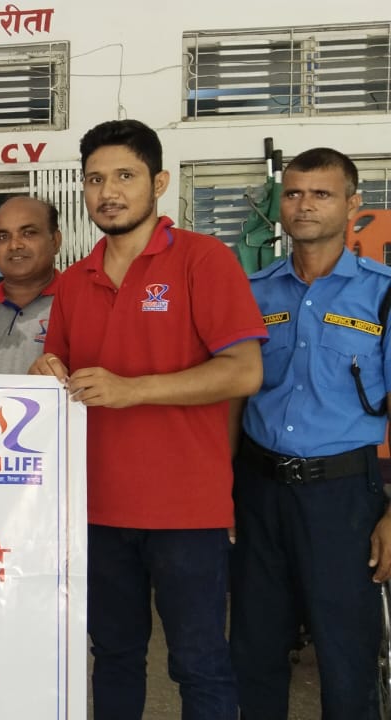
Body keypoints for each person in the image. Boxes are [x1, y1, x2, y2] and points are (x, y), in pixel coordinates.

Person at [30, 119, 266, 719]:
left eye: (125, 176)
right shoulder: (74, 282)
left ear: (158, 183)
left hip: (185, 509)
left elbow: (244, 372)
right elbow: (60, 371)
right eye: (95, 180)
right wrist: (44, 373)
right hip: (95, 509)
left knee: (199, 663)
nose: (108, 192)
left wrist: (133, 390)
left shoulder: (203, 260)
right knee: (112, 657)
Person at [231, 147, 391, 719]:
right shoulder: (252, 292)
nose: (304, 205)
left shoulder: (381, 294)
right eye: (294, 193)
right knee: (253, 649)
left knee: (347, 657)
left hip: (343, 498)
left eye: (321, 194)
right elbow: (232, 396)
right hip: (258, 490)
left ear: (352, 204)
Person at [0, 197, 61, 375]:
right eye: (2, 237)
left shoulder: (78, 302)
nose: (14, 245)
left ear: (55, 241)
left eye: (28, 233)